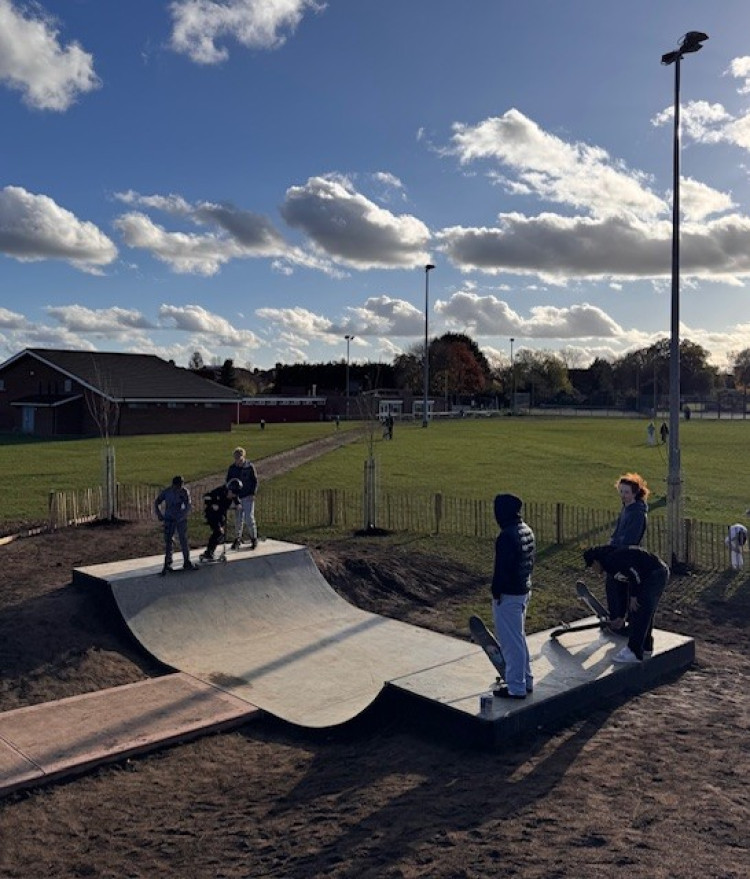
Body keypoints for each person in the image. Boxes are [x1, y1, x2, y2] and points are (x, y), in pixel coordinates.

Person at [583, 544, 669, 663]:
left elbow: (634, 573)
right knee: (642, 610)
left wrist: (634, 595)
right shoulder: (610, 566)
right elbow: (622, 588)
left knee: (640, 610)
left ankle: (634, 652)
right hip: (649, 575)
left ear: (596, 561)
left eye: (592, 566)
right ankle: (646, 645)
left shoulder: (612, 559)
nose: (593, 570)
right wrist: (621, 616)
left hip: (654, 574)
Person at [491, 493, 536, 699]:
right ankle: (526, 680)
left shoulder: (506, 536)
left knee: (510, 644)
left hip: (508, 594)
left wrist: (496, 592)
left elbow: (502, 569)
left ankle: (516, 687)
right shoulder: (526, 530)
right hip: (523, 589)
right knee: (519, 638)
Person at [606, 473, 649, 630]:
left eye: (626, 492)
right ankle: (617, 616)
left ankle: (620, 618)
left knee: (617, 584)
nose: (623, 495)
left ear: (635, 494)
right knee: (615, 584)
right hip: (619, 552)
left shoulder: (637, 513)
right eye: (621, 491)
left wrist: (617, 551)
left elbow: (631, 538)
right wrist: (611, 542)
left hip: (629, 556)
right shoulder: (626, 508)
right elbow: (618, 530)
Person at [154, 475, 197, 574]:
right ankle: (168, 563)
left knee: (183, 540)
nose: (179, 488)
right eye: (178, 486)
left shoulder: (184, 492)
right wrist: (159, 514)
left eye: (181, 485)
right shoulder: (167, 492)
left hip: (180, 519)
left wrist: (182, 516)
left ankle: (187, 561)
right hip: (169, 519)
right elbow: (157, 502)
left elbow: (188, 505)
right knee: (168, 541)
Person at [200, 479, 242, 561]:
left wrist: (238, 505)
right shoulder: (219, 491)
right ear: (228, 489)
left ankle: (210, 551)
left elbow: (237, 501)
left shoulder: (234, 495)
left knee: (221, 534)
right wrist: (213, 504)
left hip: (220, 515)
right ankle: (208, 552)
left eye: (234, 494)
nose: (232, 496)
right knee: (218, 532)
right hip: (212, 514)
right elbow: (206, 497)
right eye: (232, 493)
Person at [226, 447, 259, 550]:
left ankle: (254, 538)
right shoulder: (232, 468)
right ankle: (237, 538)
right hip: (237, 497)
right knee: (238, 519)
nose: (238, 462)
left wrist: (252, 493)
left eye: (239, 459)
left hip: (247, 496)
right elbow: (228, 481)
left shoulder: (249, 467)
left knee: (249, 518)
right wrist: (231, 493)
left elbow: (255, 481)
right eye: (236, 459)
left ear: (243, 457)